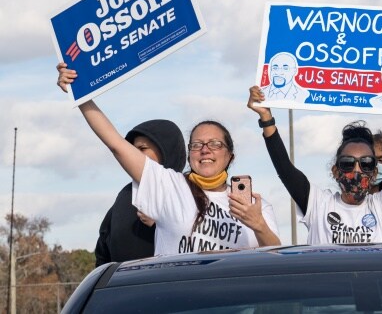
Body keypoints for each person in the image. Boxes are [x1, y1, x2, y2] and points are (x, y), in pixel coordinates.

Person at [57, 63, 281, 255]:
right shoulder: (169, 186)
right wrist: (80, 93)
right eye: (197, 145)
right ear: (189, 153)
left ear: (230, 156)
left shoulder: (254, 205)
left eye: (215, 144)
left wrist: (258, 224)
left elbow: (275, 261)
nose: (205, 150)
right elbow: (116, 143)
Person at [248, 85, 382, 244]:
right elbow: (284, 168)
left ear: (373, 173)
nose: (357, 170)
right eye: (348, 163)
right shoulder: (317, 204)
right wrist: (266, 117)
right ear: (335, 171)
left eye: (366, 163)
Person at [95, 118, 186, 266]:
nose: (134, 155)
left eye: (142, 149)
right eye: (132, 149)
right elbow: (103, 254)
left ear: (166, 150)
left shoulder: (191, 194)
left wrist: (161, 225)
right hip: (127, 287)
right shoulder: (125, 196)